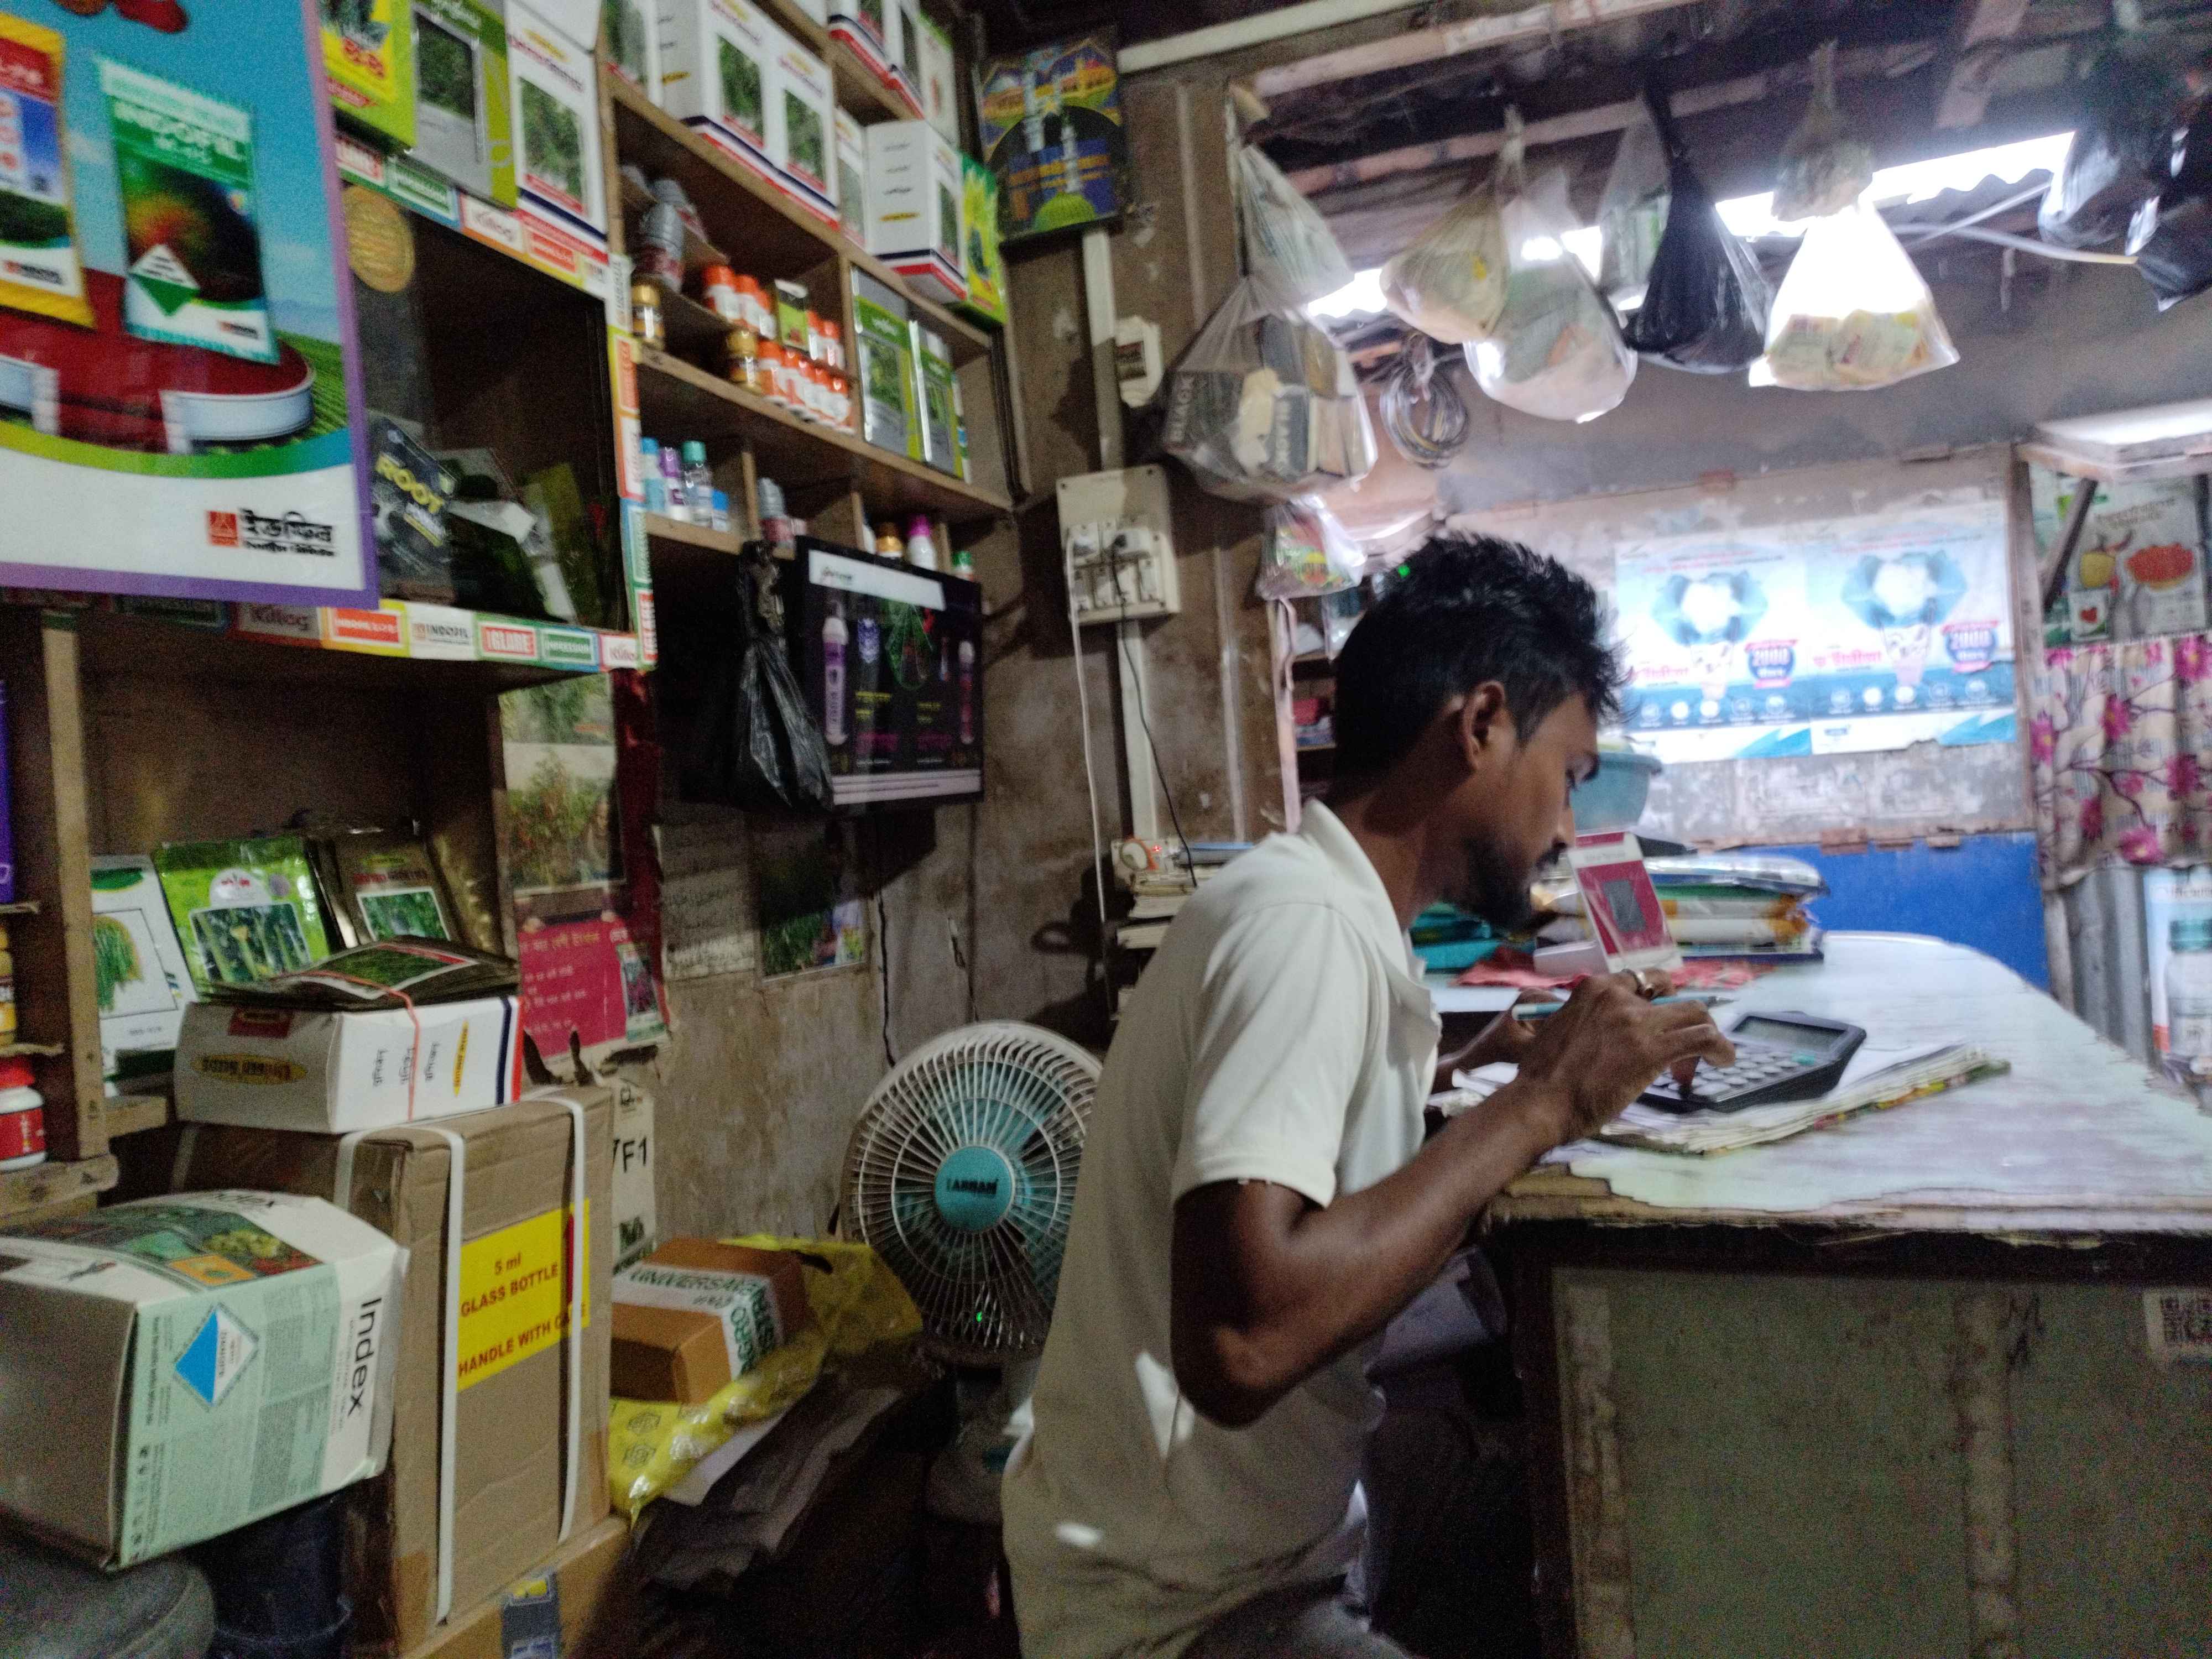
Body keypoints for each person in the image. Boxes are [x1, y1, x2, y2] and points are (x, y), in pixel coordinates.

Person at [1001, 537, 1734, 1659]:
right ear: (1481, 723)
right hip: (1184, 1609)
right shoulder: (1305, 931)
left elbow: (1295, 1123)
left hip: (1263, 1530)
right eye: (1570, 775)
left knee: (1585, 1496)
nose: (1565, 830)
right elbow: (1240, 1346)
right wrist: (1538, 1103)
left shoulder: (1314, 904)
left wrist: (1457, 1067)